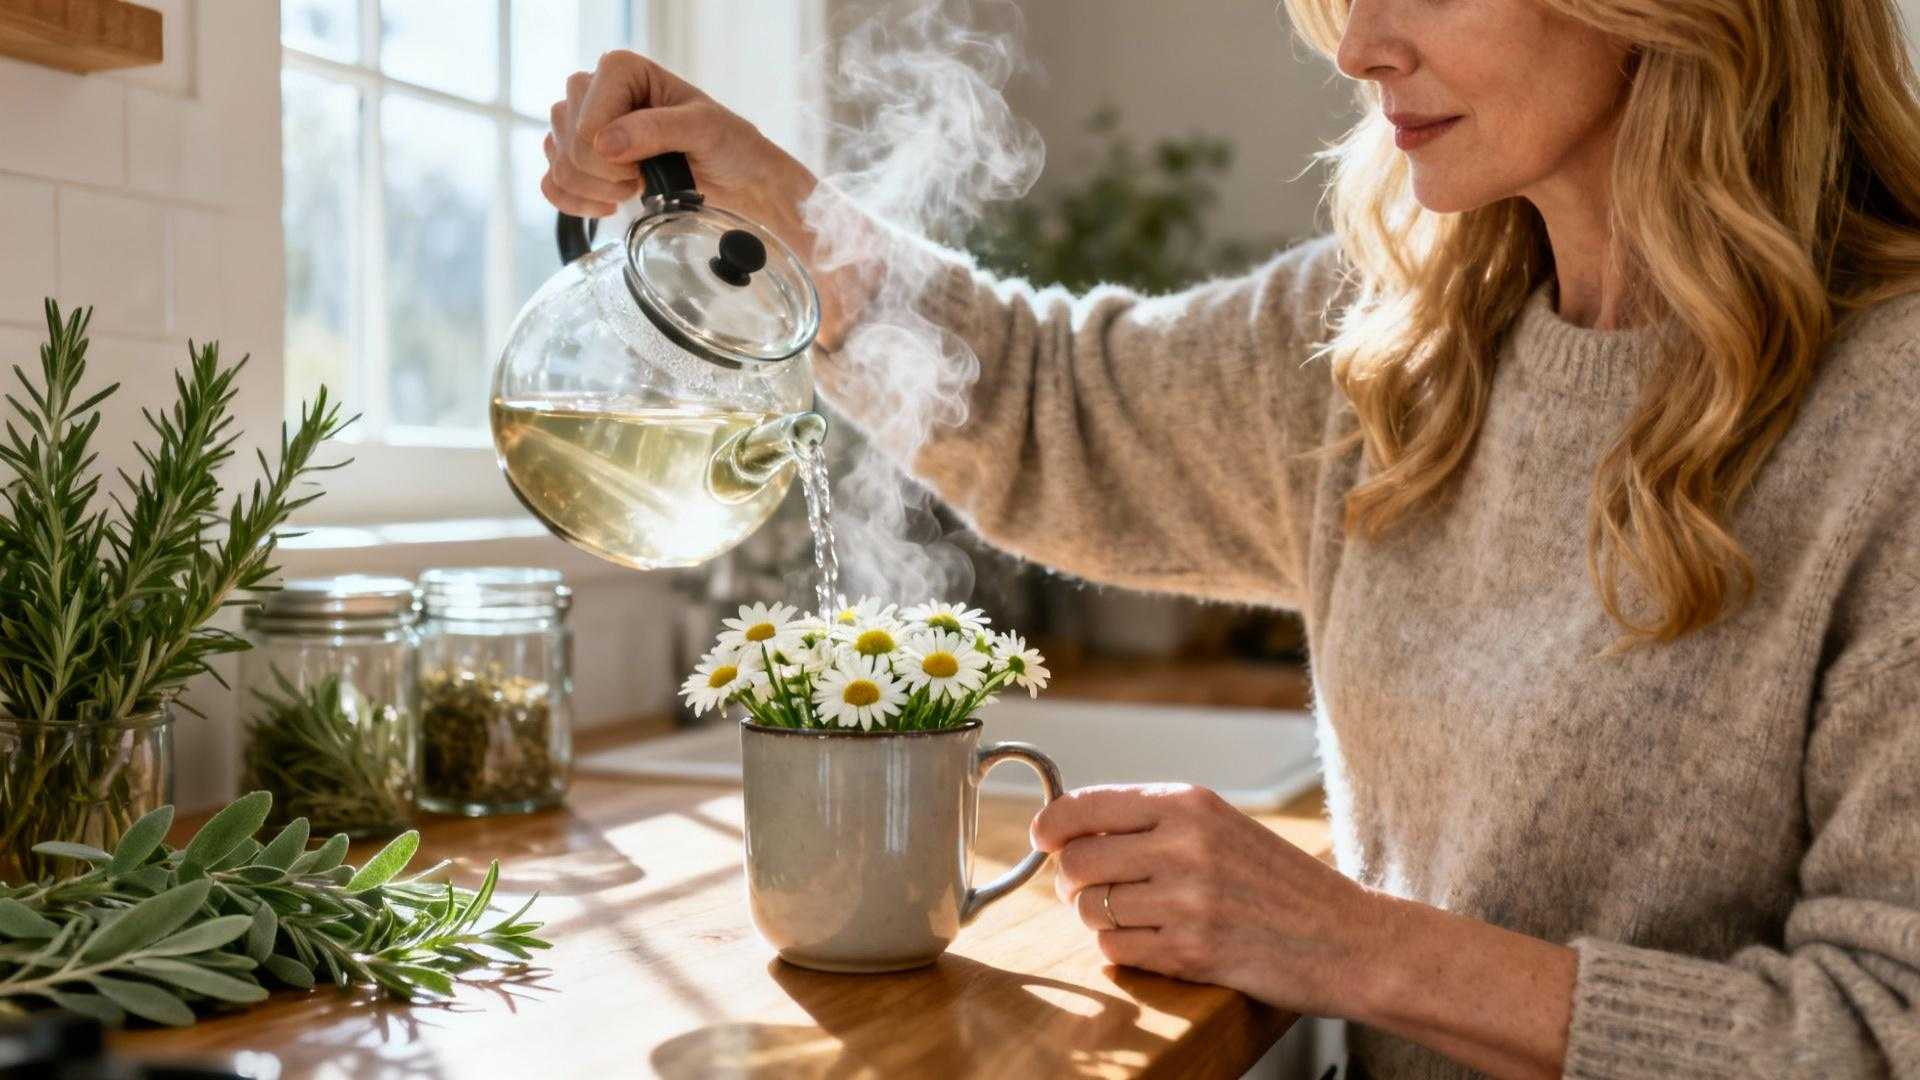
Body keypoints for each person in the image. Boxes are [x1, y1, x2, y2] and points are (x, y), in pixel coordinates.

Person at [542, 1, 1920, 1076]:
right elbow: (1048, 403)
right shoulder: (1399, 338)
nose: (1365, 47)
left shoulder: (1890, 413)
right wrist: (781, 208)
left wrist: (1357, 947)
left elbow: (1881, 1033)